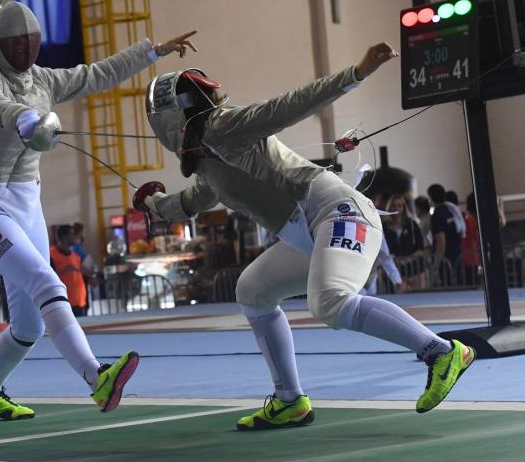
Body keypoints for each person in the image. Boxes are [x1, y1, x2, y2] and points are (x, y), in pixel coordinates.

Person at [140, 42, 475, 430]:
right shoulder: (206, 164)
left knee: (329, 301)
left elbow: (286, 106)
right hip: (308, 233)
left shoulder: (223, 126)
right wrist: (153, 203)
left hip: (337, 210)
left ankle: (441, 352)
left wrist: (356, 73)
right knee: (252, 291)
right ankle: (289, 400)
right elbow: (191, 201)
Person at [0, 0, 197, 419]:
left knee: (29, 325)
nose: (25, 50)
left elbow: (96, 74)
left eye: (30, 42)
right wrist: (23, 118)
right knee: (47, 283)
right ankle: (96, 377)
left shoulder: (43, 80)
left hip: (27, 208)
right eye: (16, 43)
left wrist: (152, 52)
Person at [384, 195, 425, 289]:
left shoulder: (412, 225)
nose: (396, 209)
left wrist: (408, 259)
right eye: (393, 206)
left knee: (420, 295)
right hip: (396, 271)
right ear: (389, 208)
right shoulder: (384, 227)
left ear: (404, 208)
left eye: (399, 206)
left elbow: (421, 248)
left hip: (415, 269)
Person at [51, 224, 93, 317]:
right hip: (64, 303)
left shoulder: (75, 256)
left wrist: (91, 277)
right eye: (72, 233)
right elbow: (49, 276)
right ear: (64, 237)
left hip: (80, 302)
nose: (75, 236)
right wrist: (65, 271)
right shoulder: (52, 255)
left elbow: (81, 270)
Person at [427, 184, 463, 285]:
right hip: (457, 255)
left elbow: (441, 242)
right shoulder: (451, 210)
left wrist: (436, 265)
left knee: (447, 286)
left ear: (431, 198)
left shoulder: (437, 215)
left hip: (446, 259)